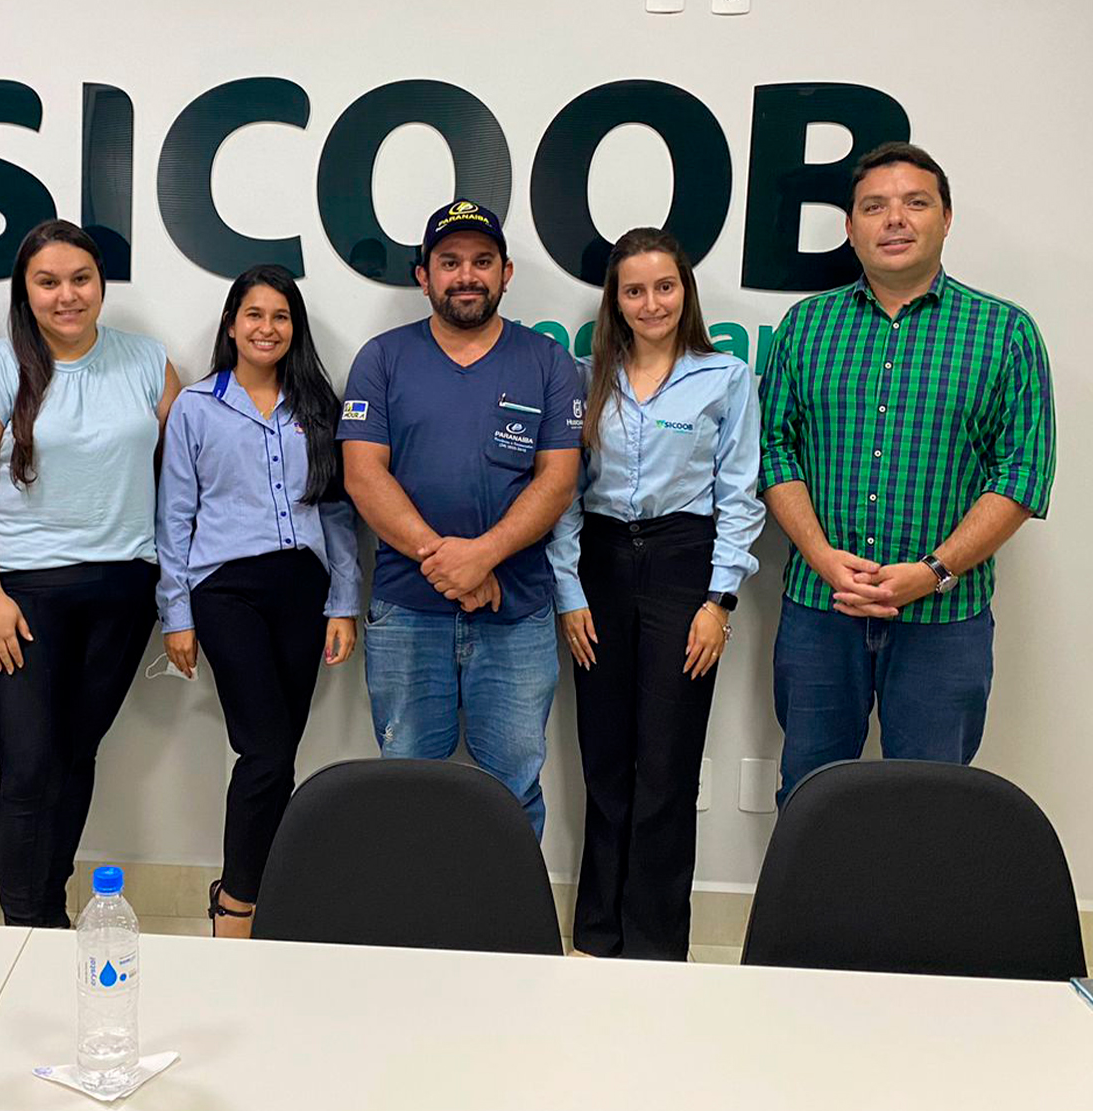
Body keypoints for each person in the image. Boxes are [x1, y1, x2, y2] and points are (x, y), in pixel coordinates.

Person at [759, 142, 1054, 803]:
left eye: (915, 202)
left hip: (944, 618)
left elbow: (1023, 473)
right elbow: (774, 449)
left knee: (932, 805)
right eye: (874, 207)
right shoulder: (806, 327)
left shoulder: (1004, 332)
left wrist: (934, 571)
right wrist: (822, 558)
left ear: (945, 218)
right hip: (821, 610)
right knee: (808, 795)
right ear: (850, 227)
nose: (894, 219)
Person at [0, 219, 180, 928]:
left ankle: (50, 914)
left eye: (80, 279)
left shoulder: (147, 361)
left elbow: (185, 474)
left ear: (102, 283)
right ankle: (26, 926)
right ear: (25, 290)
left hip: (121, 593)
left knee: (75, 755)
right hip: (19, 595)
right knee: (29, 766)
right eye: (48, 282)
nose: (66, 295)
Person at [546, 228, 763, 960]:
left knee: (667, 764)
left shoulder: (725, 377)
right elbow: (563, 494)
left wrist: (718, 602)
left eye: (664, 287)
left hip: (682, 567)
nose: (651, 303)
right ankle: (597, 935)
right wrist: (569, 592)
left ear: (685, 291)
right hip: (600, 567)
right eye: (633, 290)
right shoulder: (584, 379)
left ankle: (657, 945)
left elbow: (739, 495)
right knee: (603, 759)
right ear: (615, 300)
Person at [340, 199, 584, 837]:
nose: (466, 275)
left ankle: (508, 905)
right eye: (449, 262)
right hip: (407, 611)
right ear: (424, 275)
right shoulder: (382, 358)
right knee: (407, 787)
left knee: (514, 790)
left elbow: (557, 481)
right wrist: (450, 563)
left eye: (482, 261)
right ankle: (415, 905)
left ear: (506, 273)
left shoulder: (548, 362)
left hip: (516, 612)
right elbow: (363, 475)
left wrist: (484, 556)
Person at [156, 264, 361, 937]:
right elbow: (174, 515)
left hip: (303, 588)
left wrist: (343, 601)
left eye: (280, 316)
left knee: (280, 754)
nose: (267, 328)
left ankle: (265, 888)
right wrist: (177, 613)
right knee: (265, 750)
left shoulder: (317, 407)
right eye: (254, 314)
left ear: (293, 328)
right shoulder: (197, 407)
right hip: (224, 589)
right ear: (231, 324)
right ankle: (236, 904)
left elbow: (336, 513)